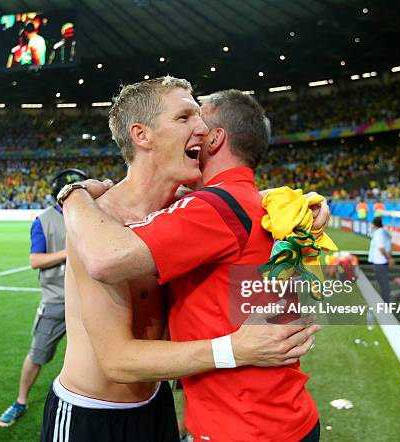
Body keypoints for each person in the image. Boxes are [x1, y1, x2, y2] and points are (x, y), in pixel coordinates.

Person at [62, 88, 329, 441]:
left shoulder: (202, 209)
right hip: (93, 412)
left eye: (199, 118)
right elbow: (116, 358)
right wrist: (74, 196)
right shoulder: (98, 226)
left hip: (168, 407)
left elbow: (231, 205)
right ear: (142, 135)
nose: (199, 129)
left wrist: (73, 196)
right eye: (185, 118)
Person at [0, 169, 87, 427]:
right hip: (57, 300)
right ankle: (20, 401)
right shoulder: (43, 221)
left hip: (89, 299)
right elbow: (35, 260)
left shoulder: (96, 213)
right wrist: (67, 253)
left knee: (100, 355)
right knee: (37, 355)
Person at [368, 217, 394, 302]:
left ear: (375, 224)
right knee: (383, 282)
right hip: (381, 261)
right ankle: (385, 300)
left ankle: (385, 301)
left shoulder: (379, 233)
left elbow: (381, 248)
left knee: (383, 282)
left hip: (380, 262)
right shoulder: (383, 232)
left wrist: (389, 258)